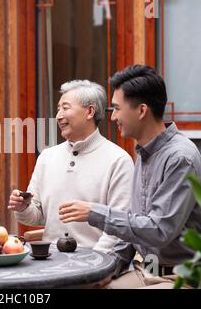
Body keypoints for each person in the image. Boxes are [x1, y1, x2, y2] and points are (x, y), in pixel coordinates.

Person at [60, 65, 201, 288]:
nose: (113, 117)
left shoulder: (180, 157)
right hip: (146, 271)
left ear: (141, 111)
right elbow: (133, 228)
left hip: (181, 277)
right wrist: (109, 271)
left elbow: (158, 230)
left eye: (116, 108)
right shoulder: (144, 153)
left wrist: (94, 212)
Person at [8, 80, 133, 253]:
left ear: (90, 111)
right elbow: (37, 216)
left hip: (97, 265)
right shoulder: (47, 157)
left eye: (65, 108)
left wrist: (94, 263)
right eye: (58, 108)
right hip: (49, 262)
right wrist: (23, 208)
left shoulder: (118, 160)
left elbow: (119, 228)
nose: (58, 115)